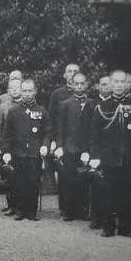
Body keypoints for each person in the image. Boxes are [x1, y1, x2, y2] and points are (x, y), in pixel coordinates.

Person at [88, 70, 131, 238]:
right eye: (116, 82)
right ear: (111, 84)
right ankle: (108, 227)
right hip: (108, 157)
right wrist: (95, 156)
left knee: (128, 193)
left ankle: (125, 227)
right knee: (108, 193)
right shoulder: (102, 107)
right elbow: (94, 135)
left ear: (127, 84)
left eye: (123, 82)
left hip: (129, 156)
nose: (120, 85)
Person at [0, 79, 47, 221]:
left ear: (35, 91)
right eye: (24, 90)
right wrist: (6, 152)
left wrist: (45, 145)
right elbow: (7, 134)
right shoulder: (14, 111)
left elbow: (48, 132)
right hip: (18, 153)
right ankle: (20, 211)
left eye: (30, 90)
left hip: (34, 154)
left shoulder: (41, 111)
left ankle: (31, 212)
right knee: (19, 183)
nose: (27, 94)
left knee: (33, 183)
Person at [54, 72, 92, 221]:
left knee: (84, 179)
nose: (80, 86)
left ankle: (83, 211)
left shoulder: (92, 103)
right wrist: (60, 146)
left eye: (82, 83)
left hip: (86, 149)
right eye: (77, 83)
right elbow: (60, 128)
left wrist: (89, 150)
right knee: (69, 180)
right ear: (72, 84)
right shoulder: (65, 104)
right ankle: (69, 211)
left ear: (87, 84)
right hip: (70, 147)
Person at [0, 76, 22, 214]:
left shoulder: (26, 105)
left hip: (23, 147)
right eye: (12, 88)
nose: (15, 91)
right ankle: (12, 206)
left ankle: (23, 206)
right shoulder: (3, 107)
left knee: (23, 176)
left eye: (17, 88)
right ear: (8, 90)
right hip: (7, 147)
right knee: (9, 177)